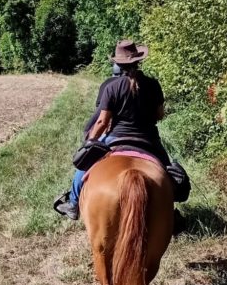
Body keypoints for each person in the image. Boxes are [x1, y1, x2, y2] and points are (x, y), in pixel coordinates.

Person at [54, 39, 171, 221]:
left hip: (115, 138)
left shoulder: (112, 87)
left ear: (118, 63)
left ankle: (73, 203)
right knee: (168, 171)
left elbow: (102, 121)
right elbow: (160, 114)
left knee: (84, 165)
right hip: (149, 140)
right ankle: (172, 212)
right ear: (139, 61)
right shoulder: (153, 84)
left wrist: (89, 142)